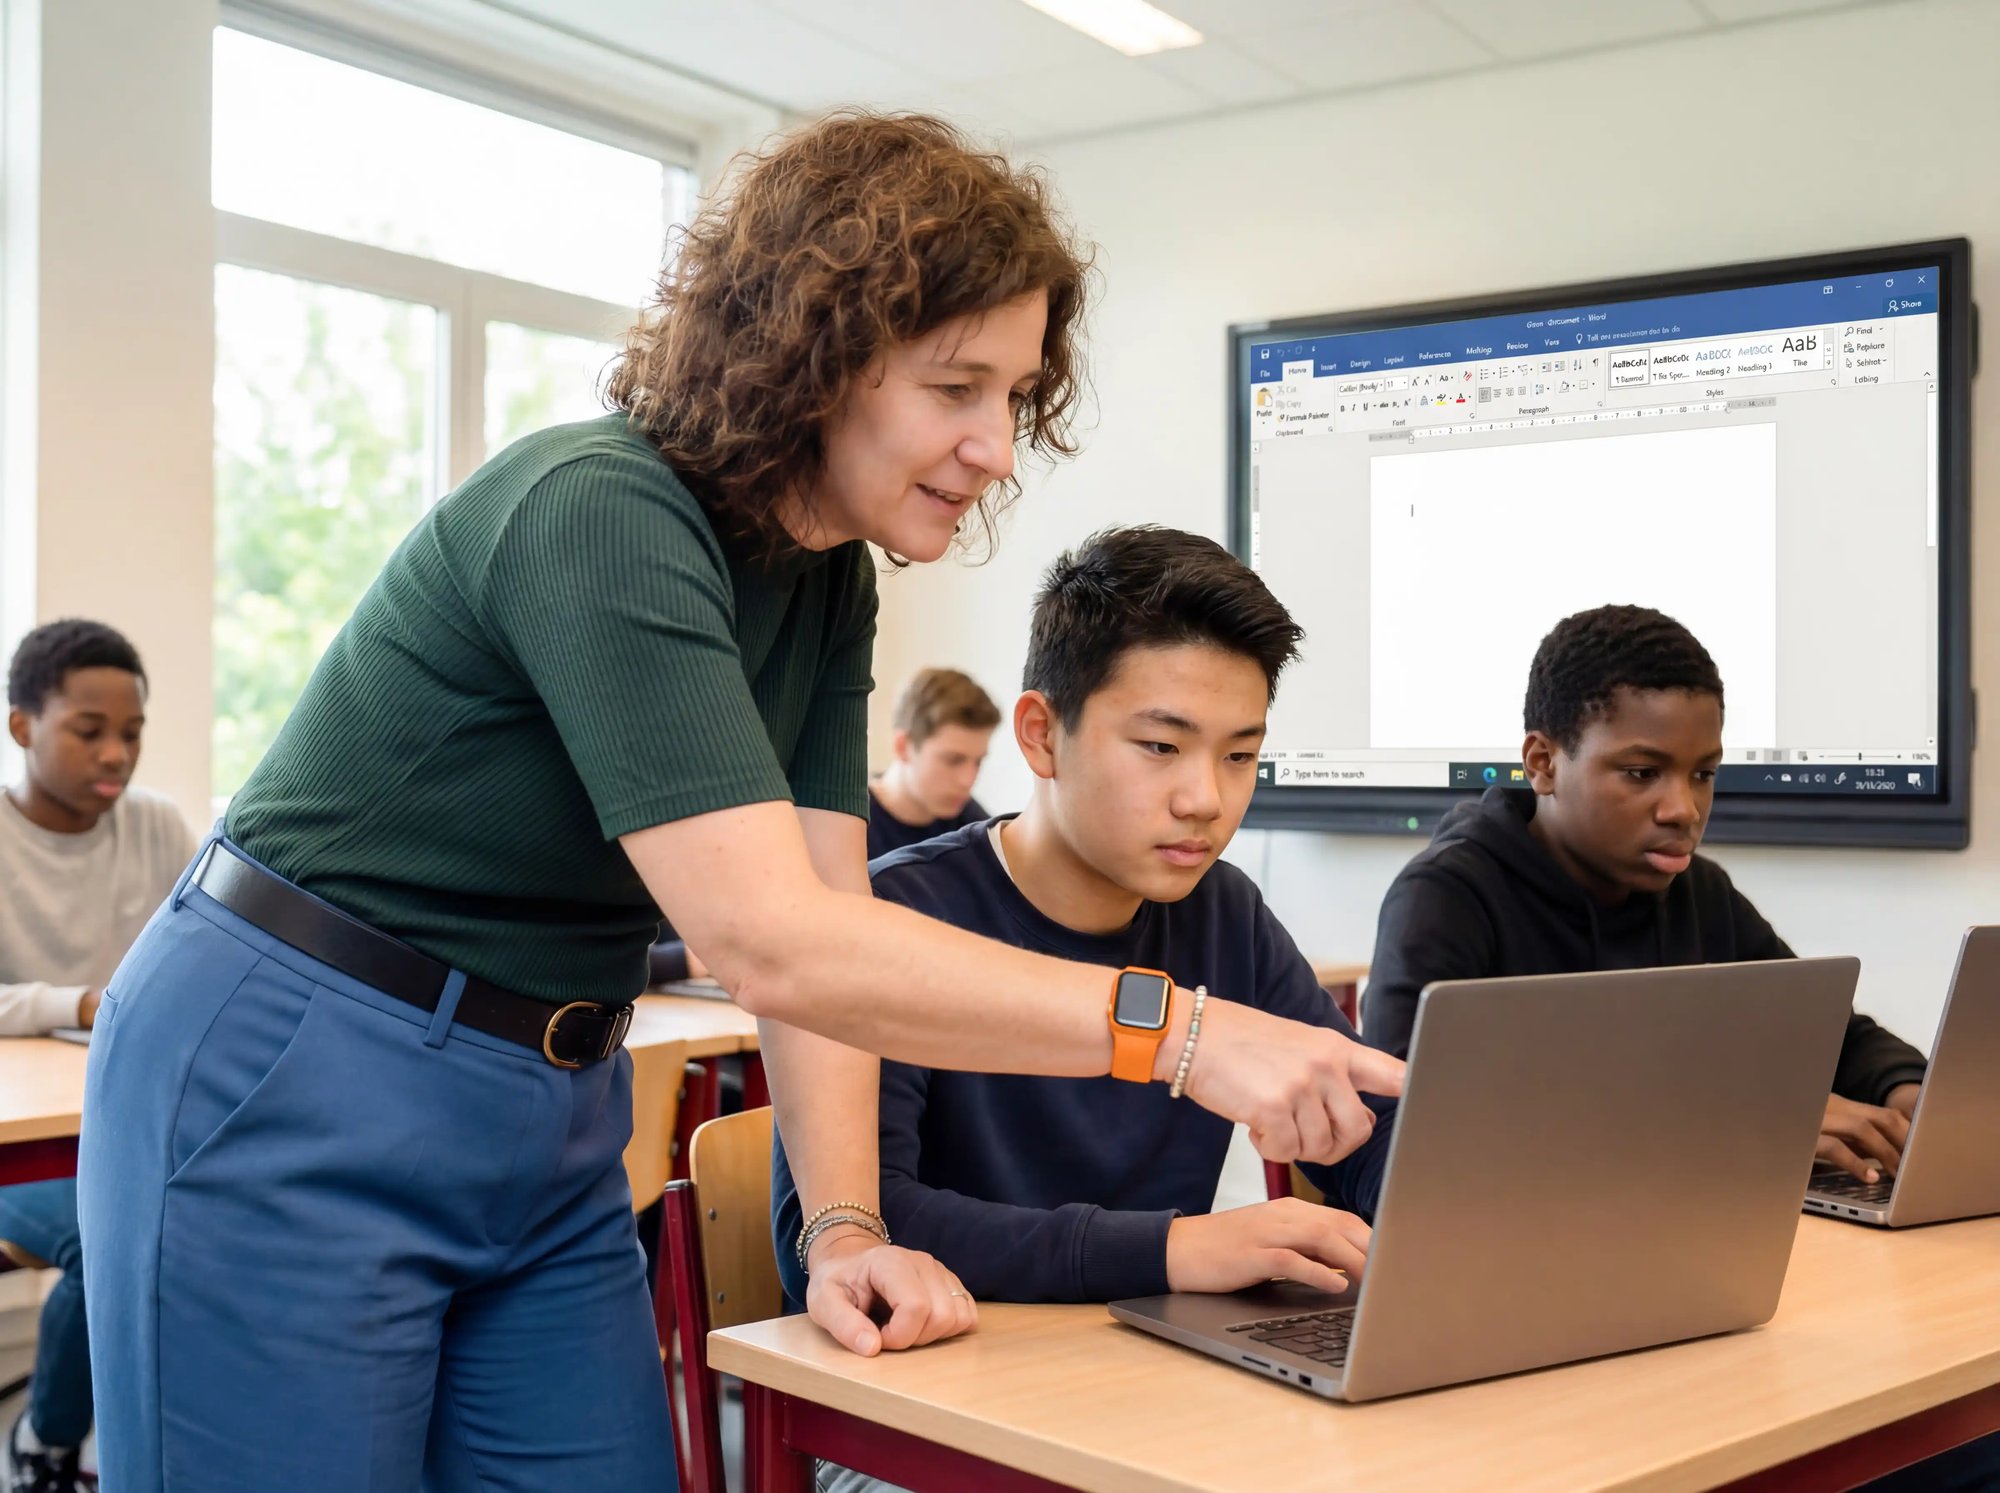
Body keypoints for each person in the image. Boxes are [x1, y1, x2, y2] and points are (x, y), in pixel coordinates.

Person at [80, 111, 1401, 1492]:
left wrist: (841, 1229)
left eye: (1014, 396)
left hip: (549, 1102)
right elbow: (766, 940)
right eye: (958, 387)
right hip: (298, 1066)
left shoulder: (826, 575)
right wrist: (1176, 1033)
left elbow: (828, 925)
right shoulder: (596, 508)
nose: (998, 446)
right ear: (813, 357)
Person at [787, 527, 1392, 1493]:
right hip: (920, 1416)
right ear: (1040, 734)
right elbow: (859, 1217)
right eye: (1160, 746)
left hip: (1153, 1390)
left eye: (1241, 755)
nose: (1205, 798)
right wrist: (1172, 1246)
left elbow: (1369, 1131)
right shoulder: (897, 916)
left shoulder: (1222, 912)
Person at [1364, 605, 1926, 1183]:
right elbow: (1410, 1132)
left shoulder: (1698, 892)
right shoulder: (1447, 899)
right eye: (1640, 772)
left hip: (1669, 1220)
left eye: (1703, 774)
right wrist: (1746, 1123)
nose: (1683, 809)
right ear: (1543, 763)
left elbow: (1824, 1034)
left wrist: (1908, 1093)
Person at [0, 620, 193, 1493]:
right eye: (89, 730)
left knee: (207, 1207)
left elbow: (204, 950)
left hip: (123, 1118)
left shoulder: (155, 826)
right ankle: (46, 1441)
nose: (116, 753)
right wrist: (77, 1001)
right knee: (109, 1230)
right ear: (22, 727)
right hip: (20, 1139)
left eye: (133, 732)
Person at [866, 667, 999, 858]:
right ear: (903, 746)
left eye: (978, 762)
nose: (968, 781)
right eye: (953, 760)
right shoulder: (851, 825)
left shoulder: (973, 825)